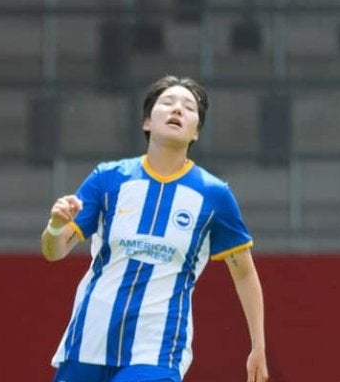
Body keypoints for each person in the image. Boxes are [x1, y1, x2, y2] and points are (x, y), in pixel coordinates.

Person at [41, 76, 268, 382]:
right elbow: (53, 252)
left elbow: (244, 273)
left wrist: (258, 345)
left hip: (159, 347)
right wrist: (56, 227)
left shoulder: (214, 195)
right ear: (147, 121)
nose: (178, 109)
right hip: (90, 337)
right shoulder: (108, 178)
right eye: (168, 103)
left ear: (196, 132)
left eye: (189, 107)